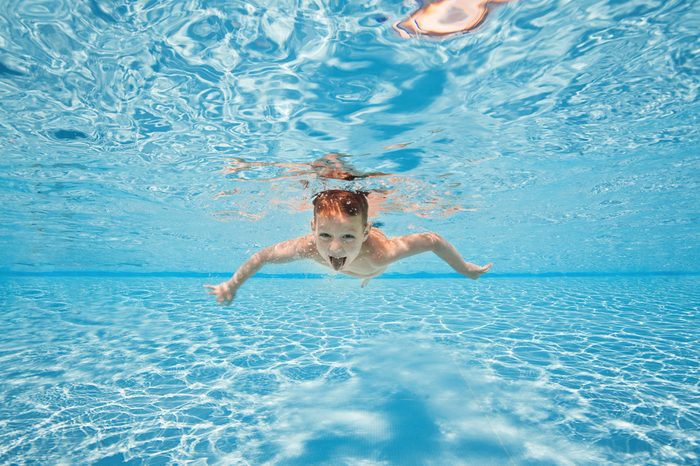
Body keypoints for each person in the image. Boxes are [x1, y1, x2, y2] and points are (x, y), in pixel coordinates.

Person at [204, 190, 492, 304]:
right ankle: (364, 274)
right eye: (325, 235)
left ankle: (367, 273)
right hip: (361, 269)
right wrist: (233, 284)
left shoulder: (383, 252)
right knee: (356, 267)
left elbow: (432, 240)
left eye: (349, 237)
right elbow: (263, 256)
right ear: (313, 228)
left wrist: (465, 268)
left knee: (371, 270)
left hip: (372, 269)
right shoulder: (308, 248)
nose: (335, 248)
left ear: (367, 232)